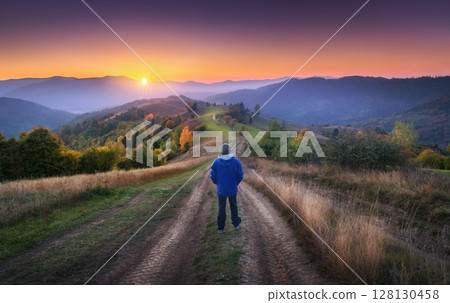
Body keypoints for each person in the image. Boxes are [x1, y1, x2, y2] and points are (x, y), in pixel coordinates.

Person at [210, 143, 243, 234]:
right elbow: (240, 175)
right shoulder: (236, 162)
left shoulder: (216, 162)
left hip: (221, 190)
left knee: (221, 207)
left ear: (221, 151)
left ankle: (221, 228)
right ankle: (236, 225)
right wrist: (235, 183)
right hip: (232, 188)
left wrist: (218, 183)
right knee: (233, 206)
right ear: (229, 151)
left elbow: (212, 176)